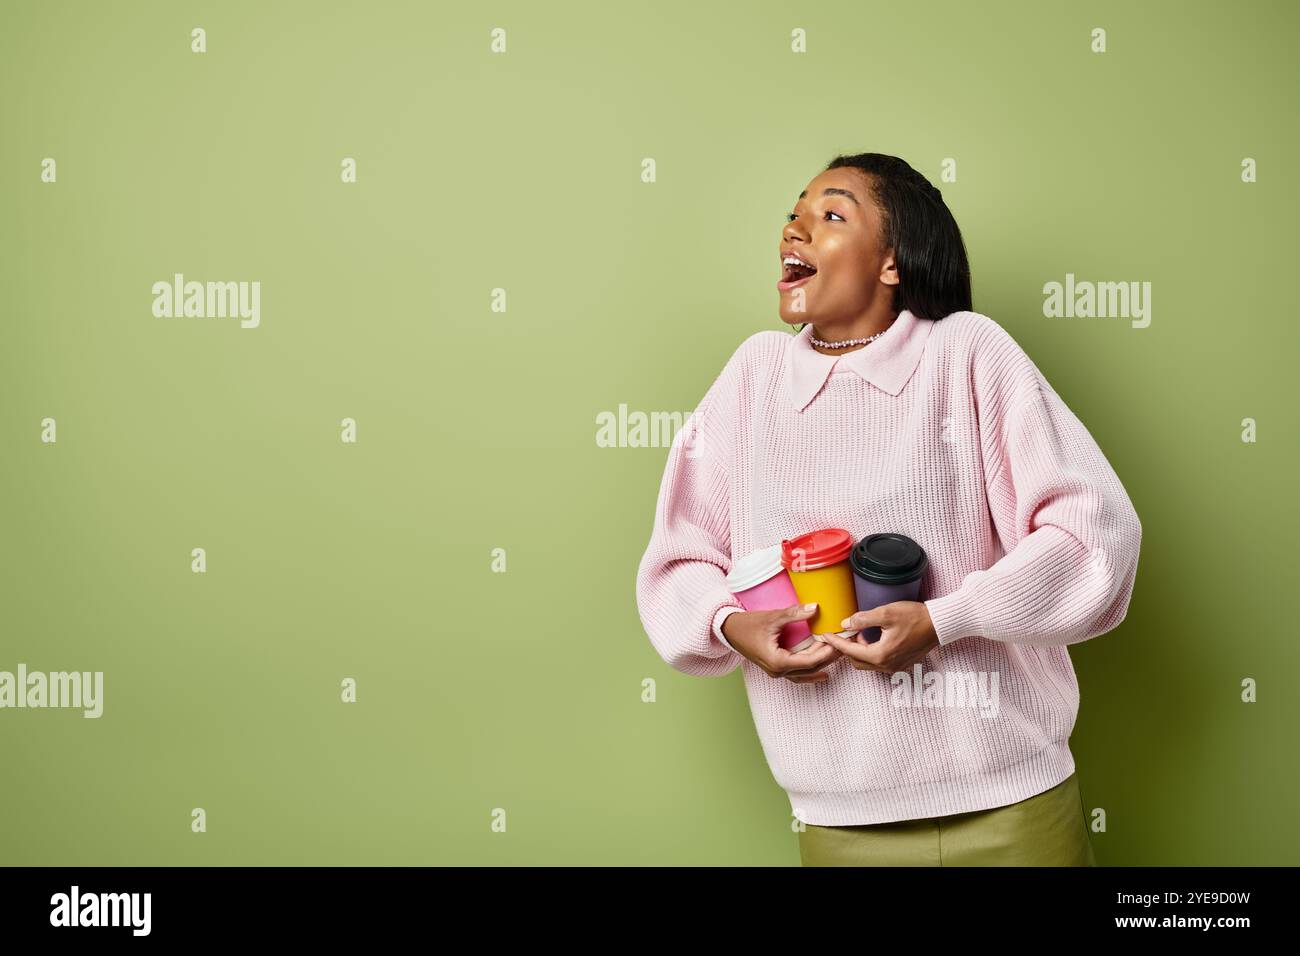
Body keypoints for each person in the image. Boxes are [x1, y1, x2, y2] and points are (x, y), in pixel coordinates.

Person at [634, 153, 1142, 866]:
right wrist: (730, 624)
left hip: (1013, 809)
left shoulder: (967, 352)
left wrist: (942, 620)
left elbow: (1096, 534)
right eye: (794, 212)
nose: (796, 228)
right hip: (841, 825)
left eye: (832, 214)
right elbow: (678, 558)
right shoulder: (754, 377)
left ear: (892, 263)